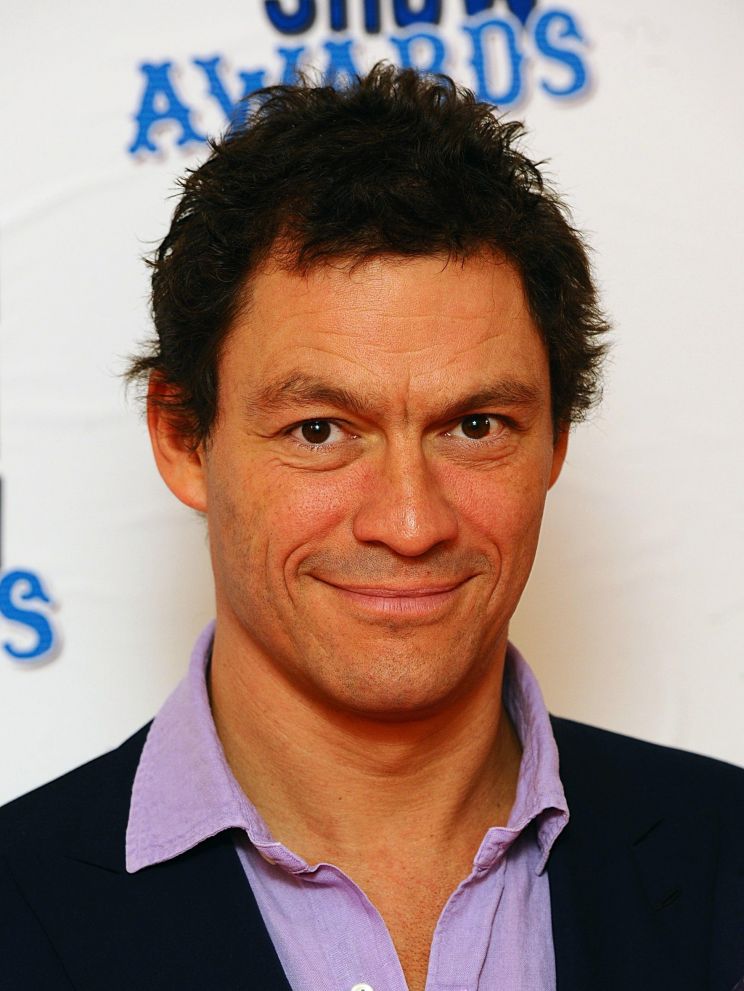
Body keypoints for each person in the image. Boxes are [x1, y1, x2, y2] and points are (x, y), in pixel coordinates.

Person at [0, 65, 742, 991]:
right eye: (320, 430)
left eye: (477, 426)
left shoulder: (727, 856)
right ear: (184, 438)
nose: (411, 521)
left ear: (556, 440)